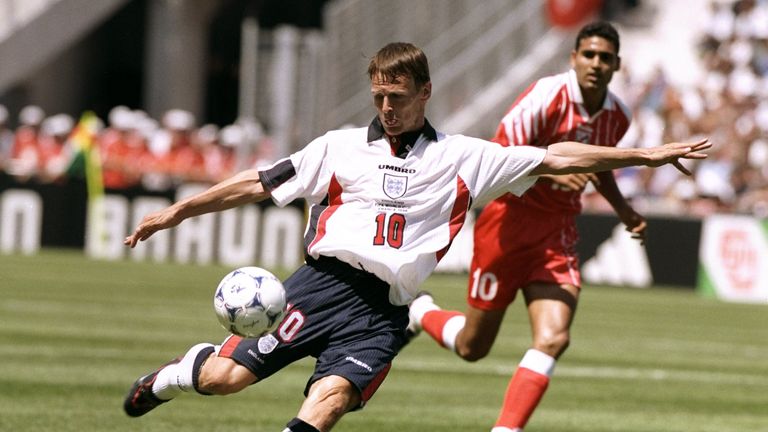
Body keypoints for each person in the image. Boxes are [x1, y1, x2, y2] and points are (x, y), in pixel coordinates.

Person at [122, 41, 709, 432]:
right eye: (378, 95)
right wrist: (179, 211)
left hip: (382, 316)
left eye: (397, 97)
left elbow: (555, 157)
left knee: (324, 407)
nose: (385, 107)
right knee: (226, 380)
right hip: (318, 287)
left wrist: (646, 155)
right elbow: (258, 181)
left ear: (424, 92)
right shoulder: (338, 146)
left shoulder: (464, 158)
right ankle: (170, 377)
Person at [406, 22, 647, 432]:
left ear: (617, 65)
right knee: (472, 347)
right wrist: (553, 174)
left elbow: (601, 167)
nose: (596, 63)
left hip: (556, 233)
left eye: (605, 57)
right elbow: (501, 154)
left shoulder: (618, 117)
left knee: (554, 338)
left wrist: (625, 212)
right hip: (507, 225)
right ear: (574, 59)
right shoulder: (547, 96)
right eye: (588, 54)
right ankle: (419, 310)